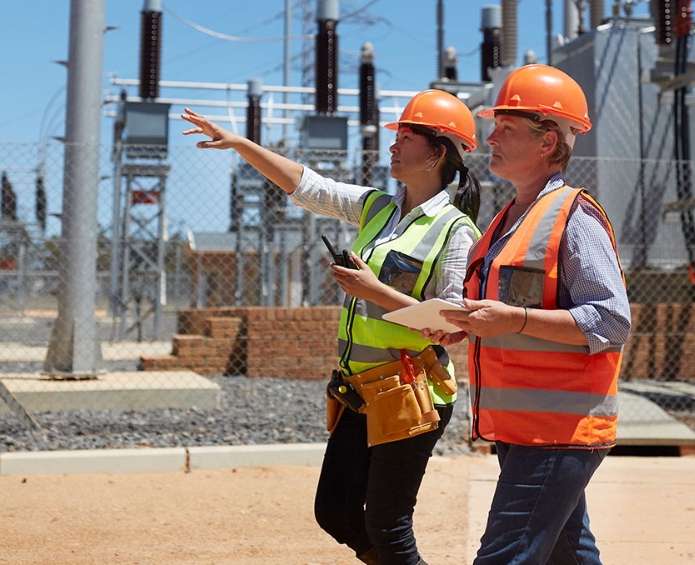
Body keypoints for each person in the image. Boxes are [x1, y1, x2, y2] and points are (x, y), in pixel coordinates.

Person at [181, 89, 482, 565]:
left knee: (387, 525)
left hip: (411, 391)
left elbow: (452, 323)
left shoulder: (455, 229)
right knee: (336, 512)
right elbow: (309, 186)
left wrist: (373, 290)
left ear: (437, 152)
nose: (393, 146)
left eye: (405, 138)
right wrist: (240, 143)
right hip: (360, 390)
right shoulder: (377, 207)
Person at [432, 64, 631, 565]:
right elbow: (510, 309)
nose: (490, 137)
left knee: (504, 556)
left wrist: (511, 321)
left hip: (557, 429)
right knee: (570, 553)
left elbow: (611, 321)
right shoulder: (506, 219)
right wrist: (468, 325)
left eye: (507, 128)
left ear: (548, 143)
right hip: (525, 427)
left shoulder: (574, 216)